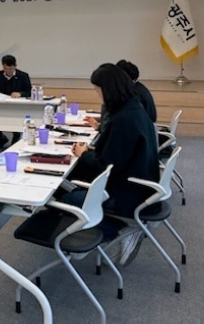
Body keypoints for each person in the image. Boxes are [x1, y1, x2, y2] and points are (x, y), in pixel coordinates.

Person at [60, 63, 161, 264]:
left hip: (127, 194)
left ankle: (120, 229)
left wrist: (84, 154)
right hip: (139, 185)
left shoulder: (124, 119)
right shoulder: (133, 108)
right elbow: (116, 155)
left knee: (66, 199)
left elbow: (106, 167)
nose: (99, 96)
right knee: (71, 184)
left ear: (109, 90)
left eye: (98, 91)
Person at [0, 55, 32, 149]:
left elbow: (29, 91)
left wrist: (20, 93)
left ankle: (16, 137)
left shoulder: (23, 76)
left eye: (11, 69)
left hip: (17, 106)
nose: (8, 71)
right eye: (6, 69)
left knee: (15, 120)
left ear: (15, 66)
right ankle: (1, 137)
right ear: (3, 66)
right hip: (1, 104)